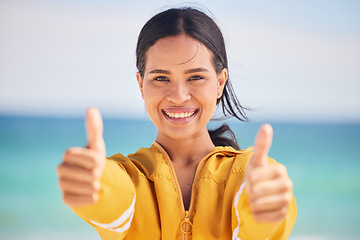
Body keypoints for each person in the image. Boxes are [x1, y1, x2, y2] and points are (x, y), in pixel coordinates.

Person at [57, 7, 297, 239]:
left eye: (196, 77)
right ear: (141, 84)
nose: (179, 96)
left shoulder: (249, 176)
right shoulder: (128, 177)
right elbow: (115, 201)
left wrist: (265, 212)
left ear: (219, 82)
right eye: (161, 78)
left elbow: (257, 229)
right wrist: (97, 183)